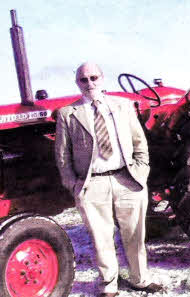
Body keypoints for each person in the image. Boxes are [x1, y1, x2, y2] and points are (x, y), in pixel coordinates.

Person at [55, 62, 163, 297]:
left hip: (127, 178)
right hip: (93, 183)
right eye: (84, 80)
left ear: (102, 79)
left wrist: (141, 171)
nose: (89, 83)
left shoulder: (122, 106)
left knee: (134, 233)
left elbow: (139, 142)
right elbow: (63, 156)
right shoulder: (68, 114)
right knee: (101, 238)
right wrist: (74, 185)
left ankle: (140, 279)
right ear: (77, 83)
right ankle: (108, 285)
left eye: (94, 78)